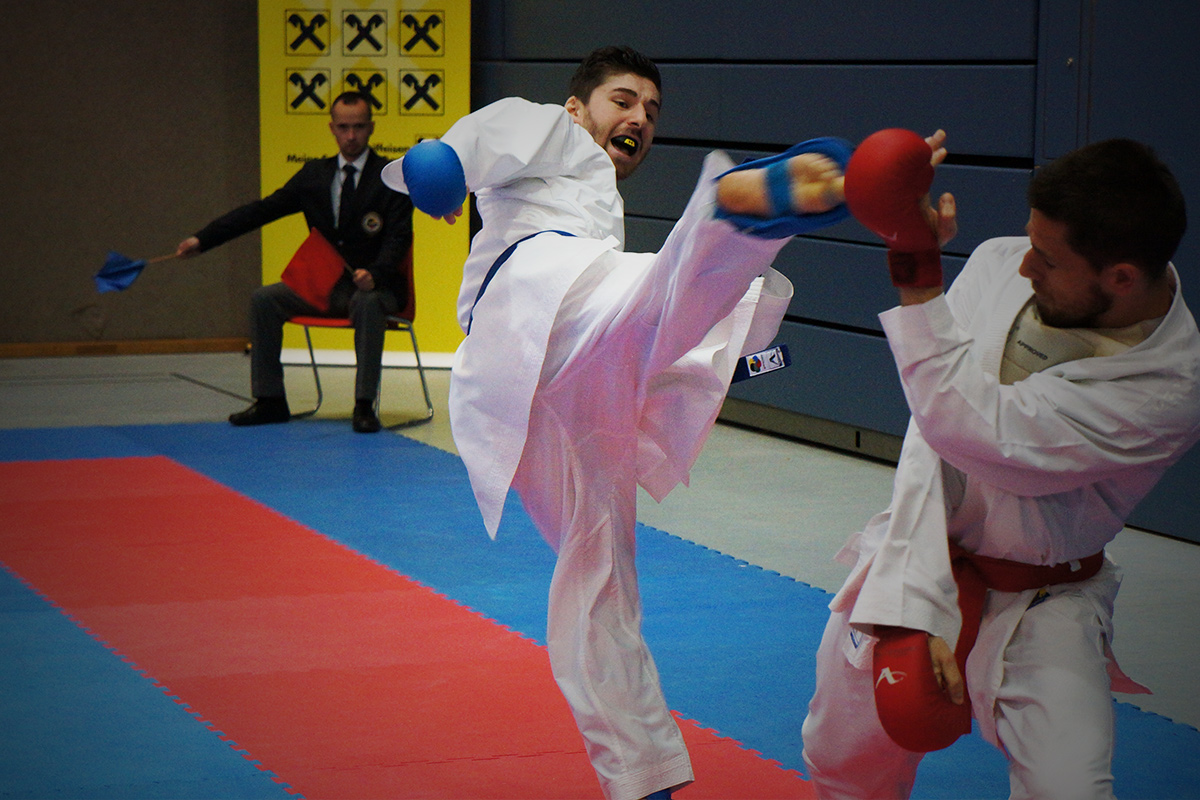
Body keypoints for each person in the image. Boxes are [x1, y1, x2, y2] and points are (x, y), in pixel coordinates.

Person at [383, 46, 849, 800]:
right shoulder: (553, 128)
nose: (639, 118)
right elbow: (482, 139)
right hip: (537, 294)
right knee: (651, 297)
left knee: (599, 574)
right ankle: (739, 216)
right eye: (624, 100)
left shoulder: (599, 205)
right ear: (578, 107)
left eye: (652, 112)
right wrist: (441, 164)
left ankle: (640, 771)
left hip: (530, 387)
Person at [801, 132, 1200, 799]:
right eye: (1030, 240)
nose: (1024, 265)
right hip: (920, 545)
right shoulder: (999, 261)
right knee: (841, 758)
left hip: (1046, 599)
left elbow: (979, 432)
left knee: (1069, 787)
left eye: (1048, 257)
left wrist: (916, 262)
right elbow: (930, 434)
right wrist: (913, 597)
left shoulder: (1168, 390)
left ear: (1121, 278)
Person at [177, 91, 414, 433]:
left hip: (378, 290)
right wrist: (204, 239)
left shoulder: (390, 177)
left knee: (366, 302)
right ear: (332, 128)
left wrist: (375, 274)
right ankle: (270, 400)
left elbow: (399, 239)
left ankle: (364, 405)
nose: (351, 136)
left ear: (372, 127)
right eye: (344, 127)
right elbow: (262, 210)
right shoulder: (314, 175)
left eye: (359, 127)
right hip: (327, 288)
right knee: (265, 299)